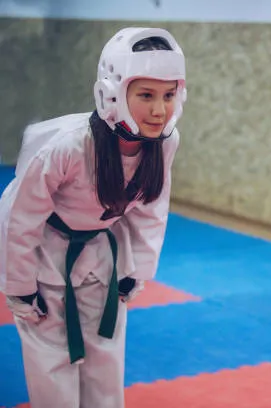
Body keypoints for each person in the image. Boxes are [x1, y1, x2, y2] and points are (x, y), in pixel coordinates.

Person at [0, 27, 187, 408]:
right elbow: (21, 218)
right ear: (112, 93)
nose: (159, 110)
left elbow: (151, 207)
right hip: (44, 251)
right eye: (146, 95)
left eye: (169, 95)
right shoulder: (67, 147)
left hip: (101, 252)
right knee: (52, 362)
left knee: (105, 354)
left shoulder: (165, 142)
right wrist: (19, 285)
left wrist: (137, 269)